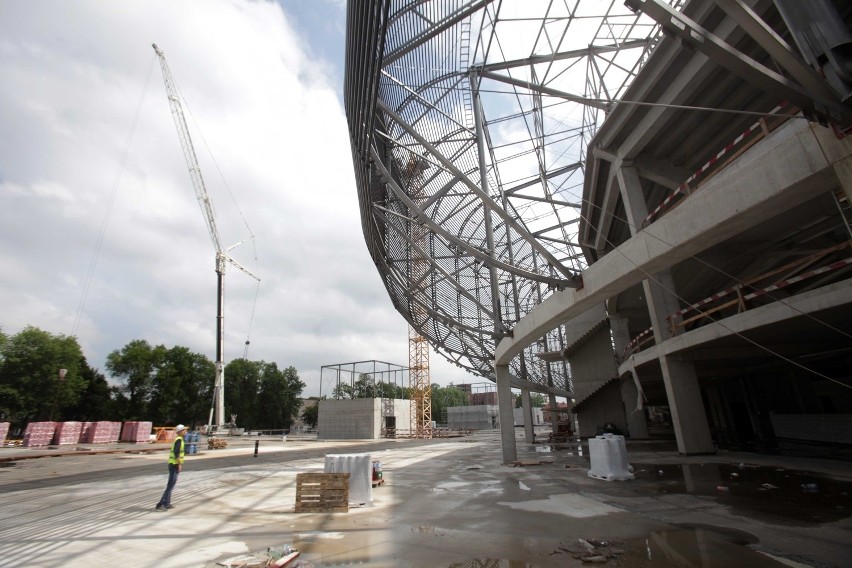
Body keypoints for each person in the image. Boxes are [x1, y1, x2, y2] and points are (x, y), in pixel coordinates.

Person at [156, 424, 188, 511]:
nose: (186, 431)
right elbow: (176, 453)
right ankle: (160, 504)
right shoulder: (179, 440)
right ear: (180, 432)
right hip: (174, 465)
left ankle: (167, 503)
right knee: (170, 486)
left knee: (171, 485)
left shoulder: (180, 439)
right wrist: (179, 464)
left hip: (174, 464)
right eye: (184, 430)